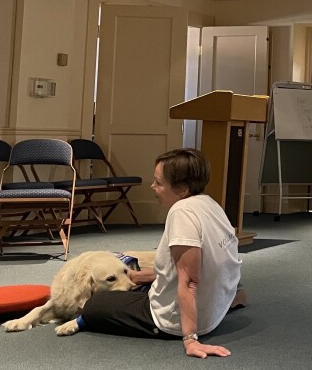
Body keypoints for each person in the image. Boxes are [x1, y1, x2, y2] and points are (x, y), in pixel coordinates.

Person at [80, 148, 245, 358]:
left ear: (183, 189)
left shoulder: (181, 212)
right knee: (133, 285)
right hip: (214, 310)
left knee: (95, 304)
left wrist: (190, 340)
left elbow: (189, 281)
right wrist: (141, 277)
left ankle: (182, 330)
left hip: (175, 320)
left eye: (158, 183)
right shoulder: (210, 204)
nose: (153, 186)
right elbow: (183, 268)